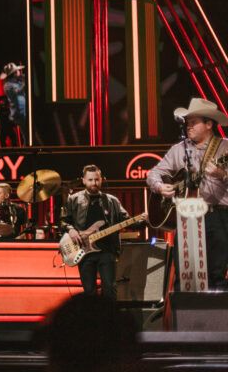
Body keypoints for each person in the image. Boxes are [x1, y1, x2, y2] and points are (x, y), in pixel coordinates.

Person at [147, 97, 228, 290]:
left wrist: (222, 174)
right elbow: (153, 174)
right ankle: (183, 307)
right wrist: (160, 187)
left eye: (193, 122)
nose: (188, 126)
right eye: (187, 122)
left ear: (209, 124)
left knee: (216, 274)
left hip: (218, 216)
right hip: (187, 217)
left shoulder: (225, 147)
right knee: (185, 274)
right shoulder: (179, 149)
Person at [63, 165, 129, 299]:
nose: (94, 183)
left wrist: (144, 220)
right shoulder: (74, 199)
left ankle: (109, 313)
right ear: (83, 180)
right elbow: (63, 221)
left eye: (97, 179)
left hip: (107, 250)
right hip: (84, 251)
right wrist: (71, 230)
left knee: (110, 289)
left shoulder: (111, 200)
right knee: (89, 291)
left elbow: (127, 220)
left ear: (101, 180)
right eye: (90, 180)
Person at [0, 62, 26, 135]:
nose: (19, 71)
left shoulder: (18, 80)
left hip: (24, 110)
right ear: (14, 73)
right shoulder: (7, 85)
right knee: (27, 133)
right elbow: (18, 91)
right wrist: (25, 82)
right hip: (20, 112)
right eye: (17, 70)